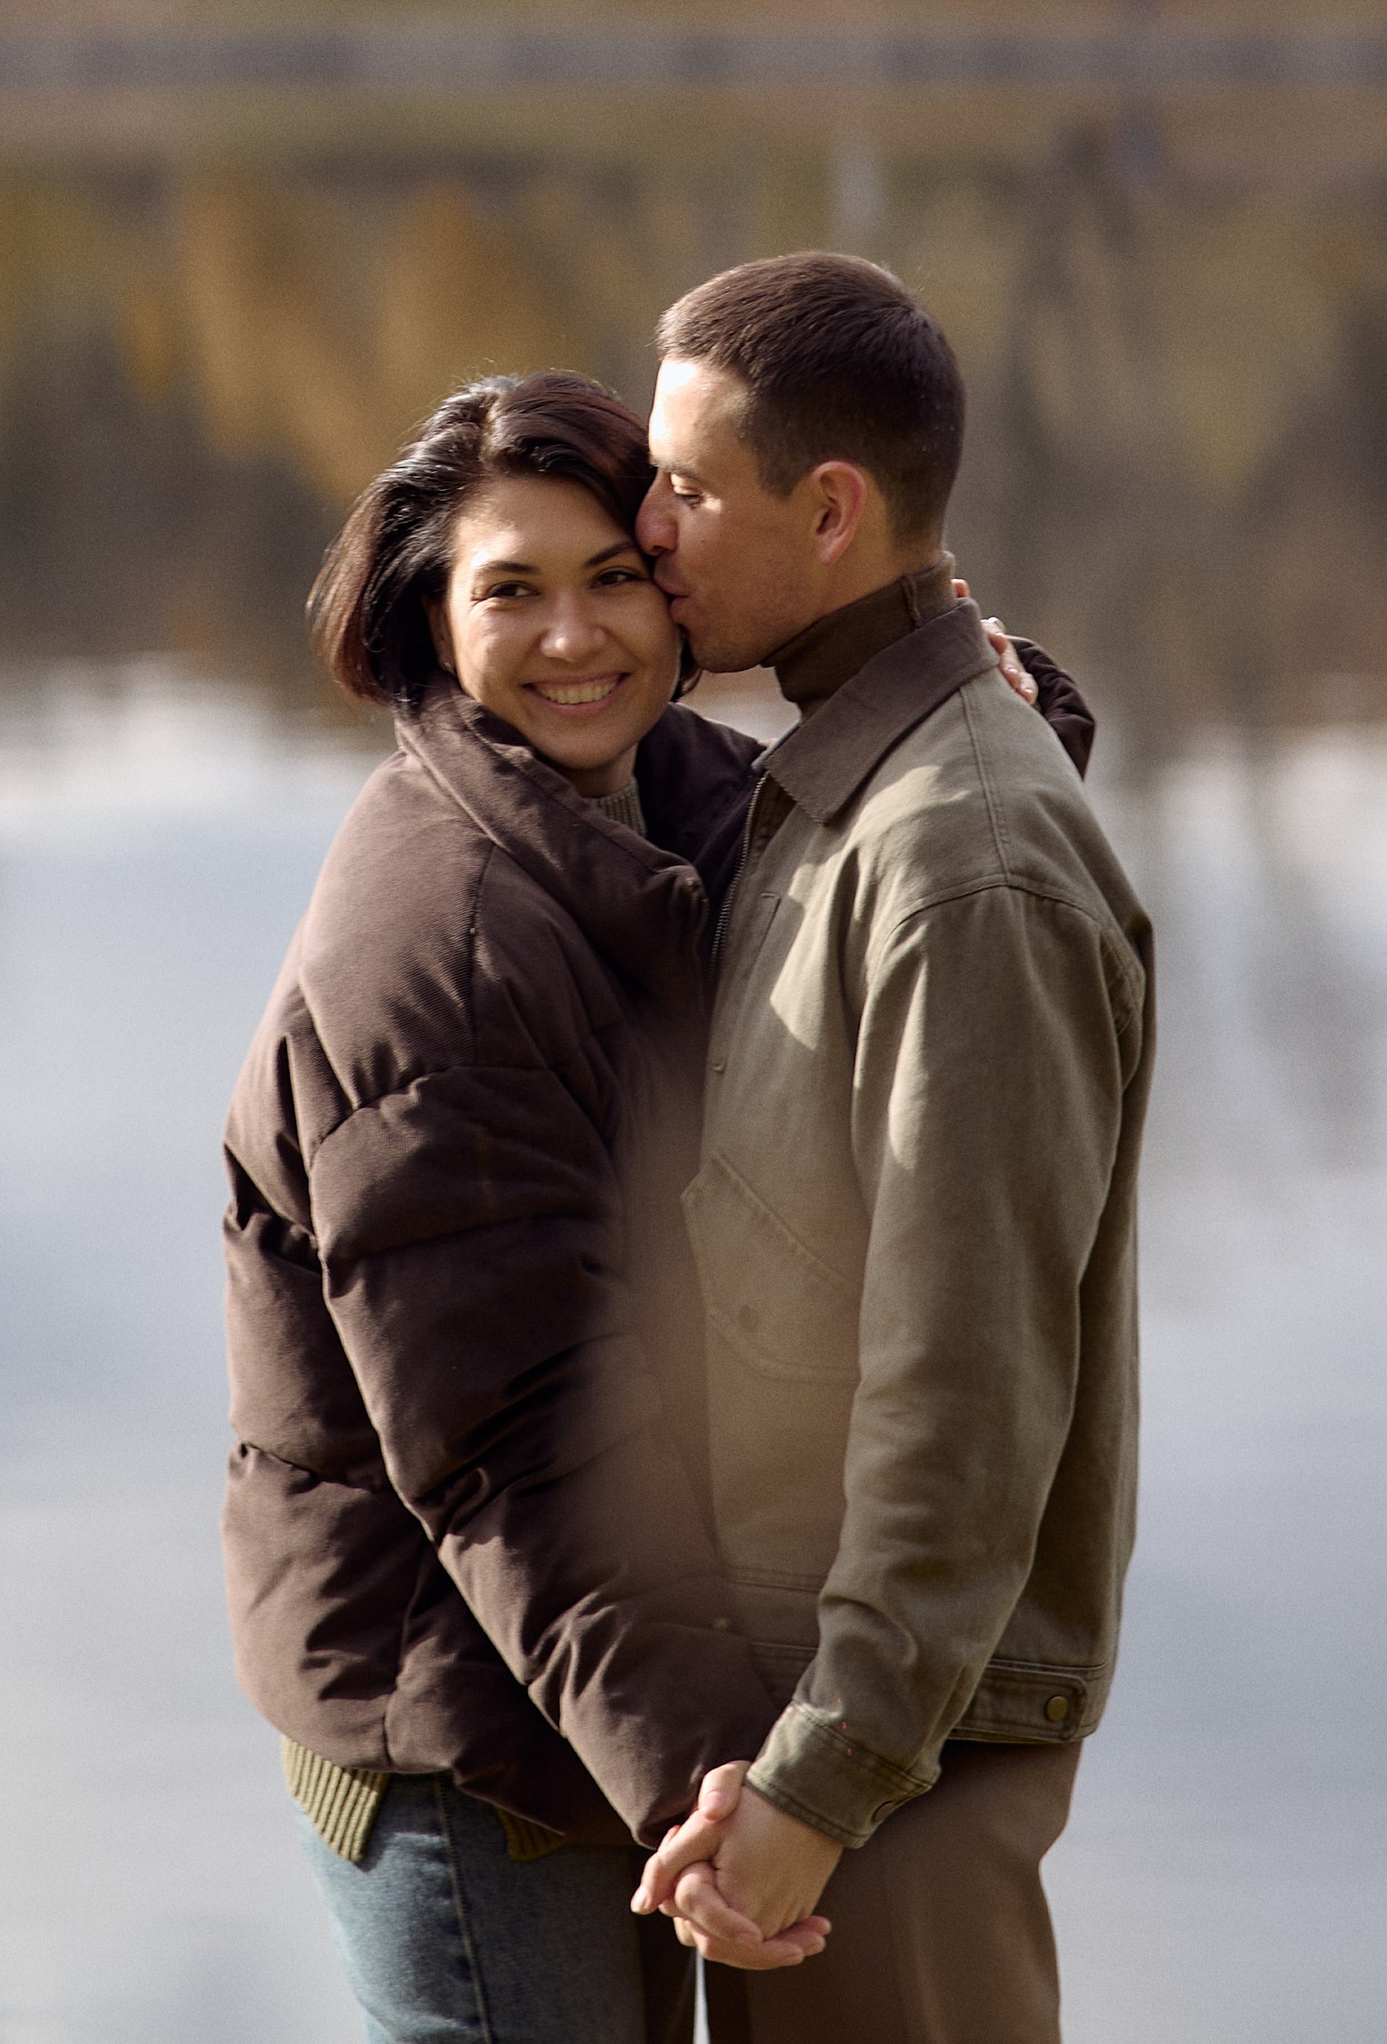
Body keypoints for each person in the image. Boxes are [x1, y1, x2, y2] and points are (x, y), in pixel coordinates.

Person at [218, 372, 825, 2044]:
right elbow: (516, 1441)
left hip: (587, 1679)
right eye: (511, 588)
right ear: (428, 616)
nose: (576, 635)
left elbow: (853, 852)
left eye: (611, 574)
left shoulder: (645, 797)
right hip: (458, 1734)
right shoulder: (443, 954)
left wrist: (996, 717)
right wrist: (717, 1783)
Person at [629, 253, 1155, 2044]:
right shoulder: (860, 776)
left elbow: (968, 1388)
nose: (647, 530)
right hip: (835, 1733)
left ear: (833, 510)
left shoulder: (965, 863)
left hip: (900, 1771)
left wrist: (824, 1782)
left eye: (687, 488)